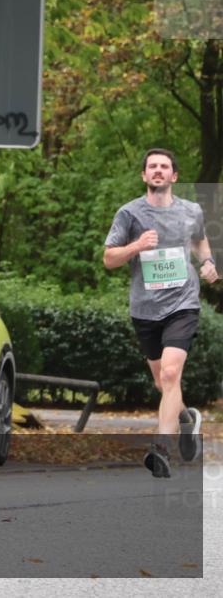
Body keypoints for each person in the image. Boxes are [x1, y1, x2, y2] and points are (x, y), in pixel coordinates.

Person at [104, 148, 218, 478]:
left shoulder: (190, 211)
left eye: (164, 166)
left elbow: (200, 241)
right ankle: (187, 420)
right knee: (162, 381)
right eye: (152, 166)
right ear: (144, 176)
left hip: (182, 304)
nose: (157, 170)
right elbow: (109, 259)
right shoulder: (129, 214)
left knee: (170, 375)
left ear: (173, 176)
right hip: (145, 309)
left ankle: (161, 449)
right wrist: (136, 246)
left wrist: (208, 261)